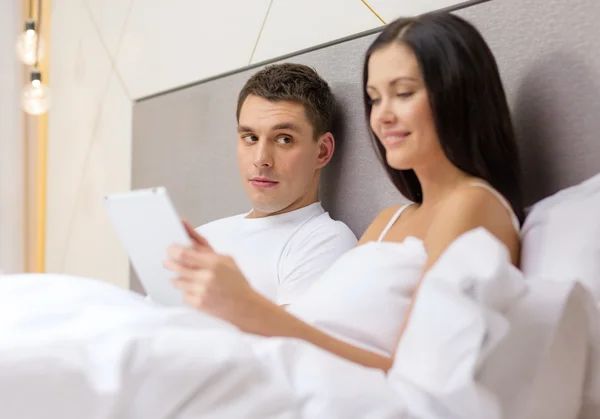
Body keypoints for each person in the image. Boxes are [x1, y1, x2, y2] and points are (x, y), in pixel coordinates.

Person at [164, 12, 524, 371]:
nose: (382, 116)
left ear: (456, 96)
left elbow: (419, 374)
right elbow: (316, 325)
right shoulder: (389, 220)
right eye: (375, 98)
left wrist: (248, 307)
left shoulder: (471, 204)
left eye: (402, 93)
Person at [189, 63, 357, 306]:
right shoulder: (204, 235)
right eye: (250, 138)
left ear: (322, 151)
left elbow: (288, 343)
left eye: (283, 139)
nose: (260, 160)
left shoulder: (324, 240)